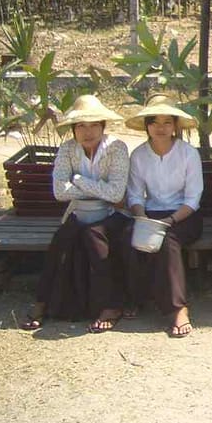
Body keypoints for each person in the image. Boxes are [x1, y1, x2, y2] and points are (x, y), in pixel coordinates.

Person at [20, 95, 131, 333]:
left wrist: (79, 180)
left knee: (95, 239)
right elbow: (60, 191)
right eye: (81, 125)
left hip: (114, 214)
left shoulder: (117, 148)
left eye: (93, 125)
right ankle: (43, 302)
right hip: (78, 213)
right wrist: (99, 190)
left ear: (103, 126)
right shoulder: (68, 149)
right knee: (62, 240)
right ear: (73, 129)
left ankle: (111, 305)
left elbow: (117, 194)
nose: (87, 132)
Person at [125, 94, 203, 338]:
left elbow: (193, 199)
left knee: (167, 241)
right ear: (147, 125)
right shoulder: (138, 155)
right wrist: (141, 218)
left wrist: (168, 221)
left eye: (167, 122)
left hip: (183, 215)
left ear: (175, 127)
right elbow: (135, 195)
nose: (160, 128)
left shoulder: (188, 154)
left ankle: (178, 308)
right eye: (154, 122)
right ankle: (134, 298)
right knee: (128, 238)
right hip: (149, 214)